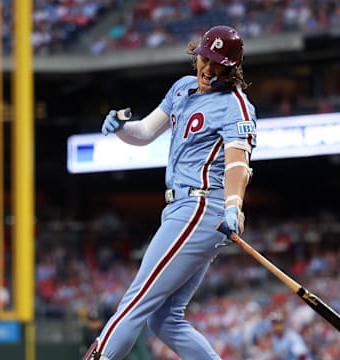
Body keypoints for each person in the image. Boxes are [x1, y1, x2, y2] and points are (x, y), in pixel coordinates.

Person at [82, 25, 257, 360]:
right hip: (182, 207)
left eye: (218, 64)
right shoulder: (183, 87)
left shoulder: (237, 105)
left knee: (137, 299)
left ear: (232, 69)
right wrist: (121, 129)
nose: (208, 68)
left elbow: (237, 164)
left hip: (202, 206)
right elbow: (146, 132)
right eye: (205, 59)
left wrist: (235, 206)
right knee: (163, 320)